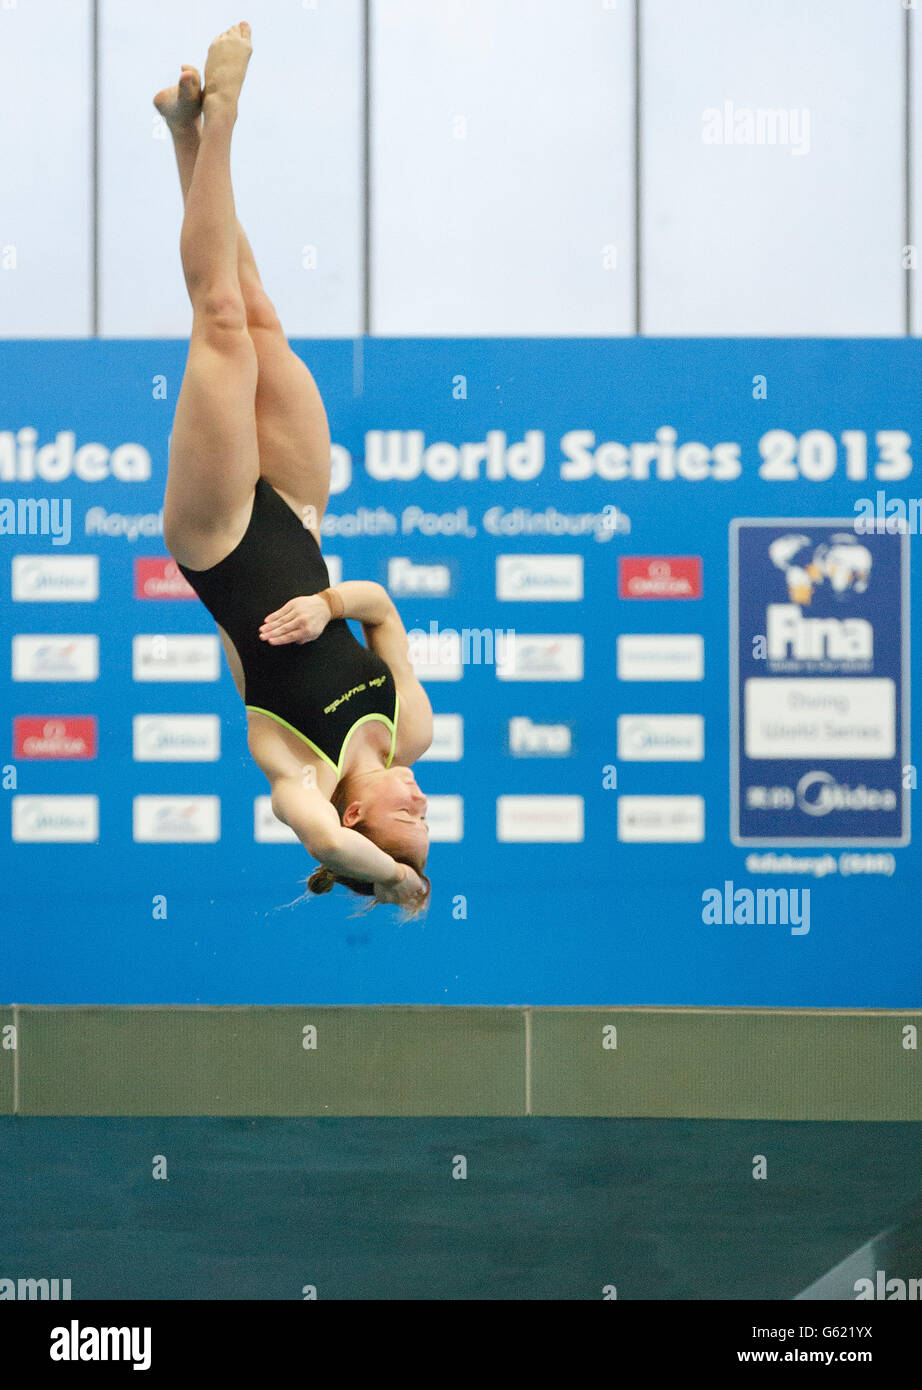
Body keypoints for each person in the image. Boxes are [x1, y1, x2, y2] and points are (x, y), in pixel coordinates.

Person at [154, 23, 432, 914]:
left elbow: (318, 838)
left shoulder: (296, 769)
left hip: (222, 539)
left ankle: (222, 118)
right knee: (263, 319)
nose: (422, 807)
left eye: (407, 823)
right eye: (425, 824)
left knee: (223, 324)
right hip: (302, 518)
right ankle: (187, 135)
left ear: (355, 820)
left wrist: (392, 880)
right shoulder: (410, 732)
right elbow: (381, 607)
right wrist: (330, 603)